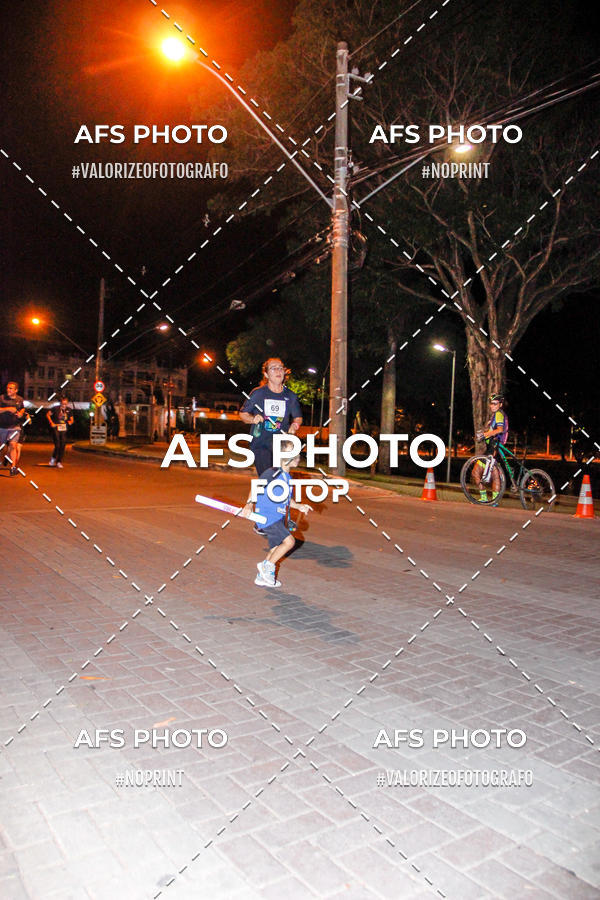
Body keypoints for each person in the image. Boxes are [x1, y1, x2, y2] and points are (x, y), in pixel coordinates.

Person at [239, 358, 303, 535]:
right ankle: (261, 520)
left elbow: (298, 417)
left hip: (281, 447)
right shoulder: (259, 394)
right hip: (261, 444)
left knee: (279, 484)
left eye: (281, 368)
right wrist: (253, 419)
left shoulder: (290, 396)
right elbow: (243, 414)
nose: (278, 371)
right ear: (266, 374)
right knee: (268, 480)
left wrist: (294, 426)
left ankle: (273, 520)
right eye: (273, 368)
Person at [243, 440, 312, 587]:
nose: (297, 456)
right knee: (289, 542)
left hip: (278, 517)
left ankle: (261, 577)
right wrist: (249, 505)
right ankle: (266, 567)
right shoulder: (273, 472)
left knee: (275, 550)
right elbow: (256, 486)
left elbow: (286, 499)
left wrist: (299, 506)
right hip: (268, 516)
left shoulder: (287, 478)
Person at [473, 393, 509, 503]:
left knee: (484, 473)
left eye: (495, 404)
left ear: (500, 404)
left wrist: (485, 435)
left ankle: (492, 500)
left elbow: (499, 430)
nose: (492, 406)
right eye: (491, 404)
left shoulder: (498, 414)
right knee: (483, 472)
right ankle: (490, 499)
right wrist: (484, 434)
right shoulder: (495, 415)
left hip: (495, 446)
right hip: (492, 446)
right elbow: (492, 430)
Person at [0, 381, 26, 476]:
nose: (8, 390)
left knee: (13, 445)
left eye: (11, 388)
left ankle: (13, 467)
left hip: (15, 427)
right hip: (2, 427)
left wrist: (21, 413)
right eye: (8, 388)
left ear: (16, 390)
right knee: (3, 448)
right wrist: (8, 409)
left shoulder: (20, 399)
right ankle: (4, 458)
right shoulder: (2, 398)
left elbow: (22, 408)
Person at [46, 396, 74, 468]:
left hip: (64, 429)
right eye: (63, 404)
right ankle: (53, 459)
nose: (64, 406)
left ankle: (59, 461)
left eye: (65, 404)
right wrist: (51, 422)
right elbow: (48, 414)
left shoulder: (69, 410)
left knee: (63, 445)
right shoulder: (55, 408)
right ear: (60, 403)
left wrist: (70, 422)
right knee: (57, 445)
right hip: (56, 428)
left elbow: (72, 419)